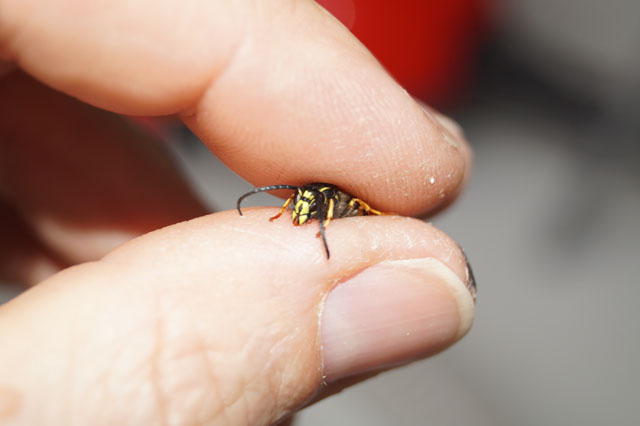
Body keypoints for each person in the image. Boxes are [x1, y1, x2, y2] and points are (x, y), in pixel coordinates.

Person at [0, 1, 476, 424]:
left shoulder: (338, 204)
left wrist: (333, 227)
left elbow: (340, 202)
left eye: (302, 204)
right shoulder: (305, 198)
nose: (299, 207)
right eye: (297, 203)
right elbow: (305, 198)